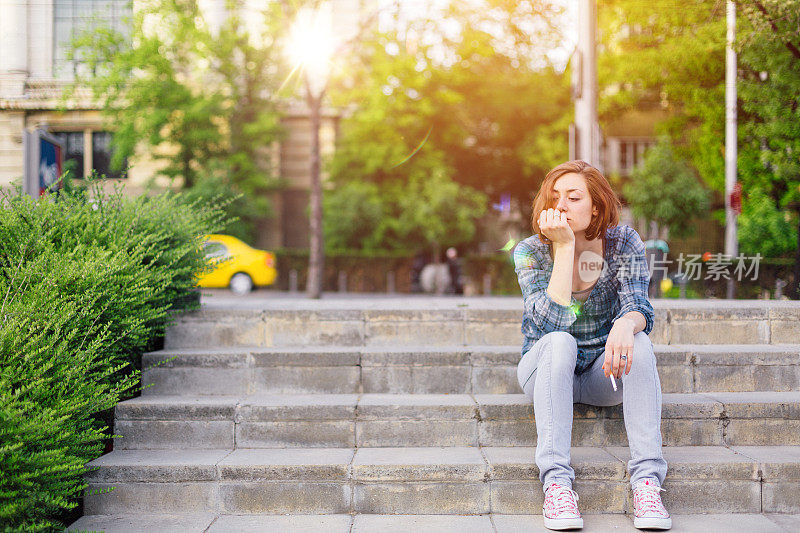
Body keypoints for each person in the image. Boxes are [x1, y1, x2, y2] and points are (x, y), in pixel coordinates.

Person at [513, 160, 671, 531]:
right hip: (546, 371)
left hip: (606, 372)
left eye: (573, 197)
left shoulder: (623, 242)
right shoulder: (530, 252)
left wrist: (624, 322)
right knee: (559, 341)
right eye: (554, 198)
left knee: (641, 341)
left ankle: (647, 483)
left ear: (596, 206)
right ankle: (556, 483)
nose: (562, 205)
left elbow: (641, 307)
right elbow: (551, 322)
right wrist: (565, 248)